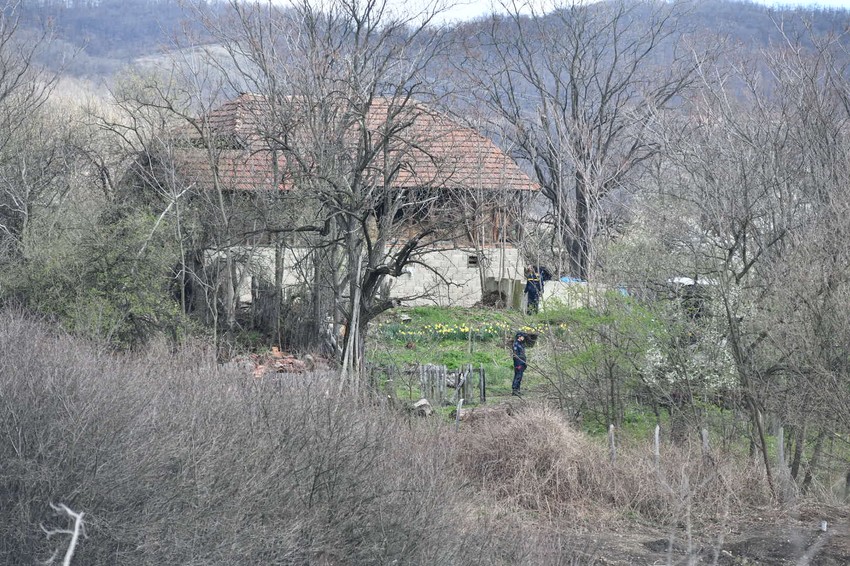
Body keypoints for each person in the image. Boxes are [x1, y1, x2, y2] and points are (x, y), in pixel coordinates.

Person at [511, 332, 528, 396]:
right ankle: (514, 390)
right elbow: (515, 355)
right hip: (518, 363)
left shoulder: (521, 344)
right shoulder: (516, 344)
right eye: (522, 336)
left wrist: (525, 362)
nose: (523, 338)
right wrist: (518, 364)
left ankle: (518, 390)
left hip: (522, 362)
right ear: (519, 337)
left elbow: (523, 354)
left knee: (520, 376)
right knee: (517, 376)